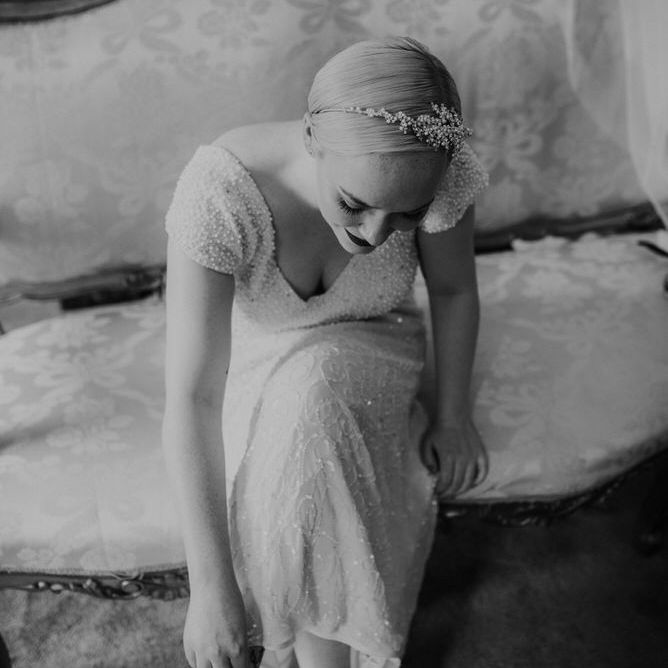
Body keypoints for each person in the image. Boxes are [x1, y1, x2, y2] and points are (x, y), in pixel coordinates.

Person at [162, 35, 489, 668]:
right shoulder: (220, 193)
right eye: (355, 204)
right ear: (312, 138)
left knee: (316, 400)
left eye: (408, 215)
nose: (376, 235)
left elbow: (453, 291)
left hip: (378, 342)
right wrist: (210, 590)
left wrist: (453, 416)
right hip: (253, 363)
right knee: (299, 424)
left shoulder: (441, 169)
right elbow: (194, 395)